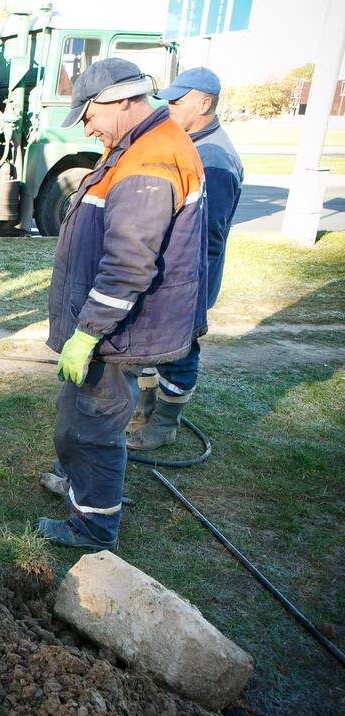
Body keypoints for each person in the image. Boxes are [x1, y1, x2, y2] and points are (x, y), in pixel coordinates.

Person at [36, 58, 208, 551]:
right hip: (113, 327)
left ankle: (92, 527)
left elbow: (129, 263)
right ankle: (82, 490)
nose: (87, 128)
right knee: (80, 426)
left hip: (116, 332)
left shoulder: (149, 162)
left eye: (88, 115)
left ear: (119, 101)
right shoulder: (137, 148)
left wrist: (88, 332)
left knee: (91, 430)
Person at [127, 67, 245, 450]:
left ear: (205, 103)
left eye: (179, 101)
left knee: (179, 350)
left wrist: (185, 289)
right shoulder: (189, 143)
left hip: (186, 279)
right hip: (163, 273)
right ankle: (144, 408)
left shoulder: (213, 158)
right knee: (146, 343)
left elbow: (206, 238)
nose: (170, 107)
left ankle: (164, 425)